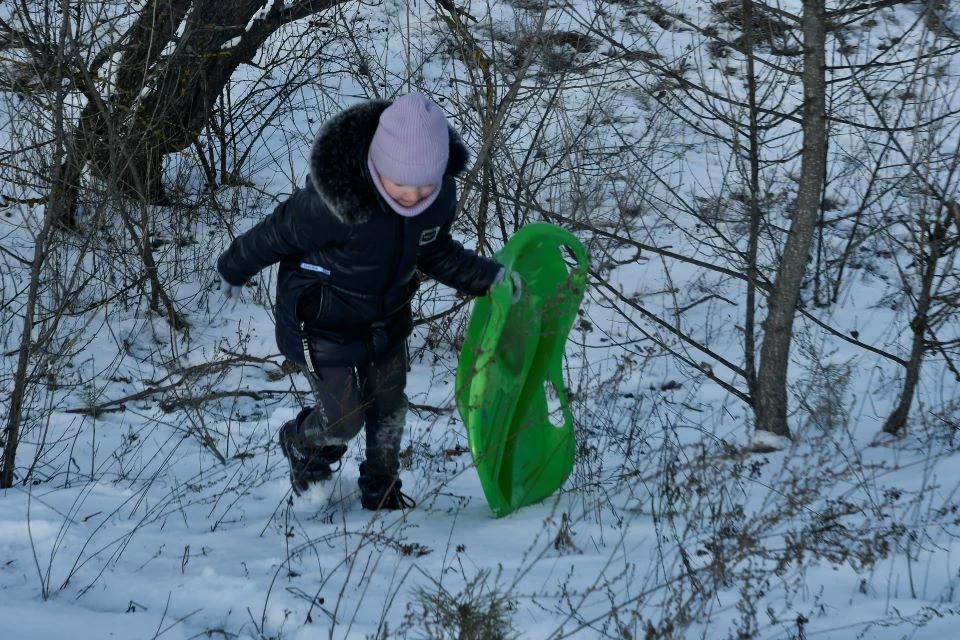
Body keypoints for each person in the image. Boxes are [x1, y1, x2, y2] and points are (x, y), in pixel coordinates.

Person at [216, 92, 521, 510]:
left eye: (425, 185)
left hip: (385, 319)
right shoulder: (333, 203)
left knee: (390, 406)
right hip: (323, 321)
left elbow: (435, 251)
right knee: (343, 420)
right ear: (378, 167)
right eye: (402, 185)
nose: (413, 196)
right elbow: (276, 233)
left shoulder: (437, 200)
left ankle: (381, 485)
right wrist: (235, 266)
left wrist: (487, 278)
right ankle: (303, 442)